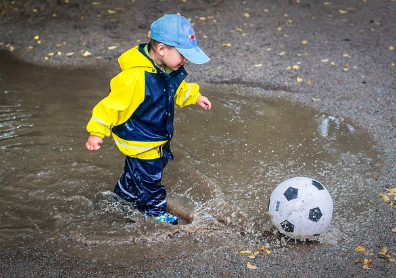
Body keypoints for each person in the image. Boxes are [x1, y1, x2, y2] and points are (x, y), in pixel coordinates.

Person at [85, 13, 211, 225]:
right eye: (183, 54)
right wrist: (97, 132)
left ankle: (121, 198)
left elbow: (176, 90)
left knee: (135, 173)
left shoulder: (166, 68)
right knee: (151, 179)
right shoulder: (135, 77)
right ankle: (154, 212)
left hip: (150, 136)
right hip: (142, 139)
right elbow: (111, 105)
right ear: (162, 49)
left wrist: (195, 97)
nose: (186, 60)